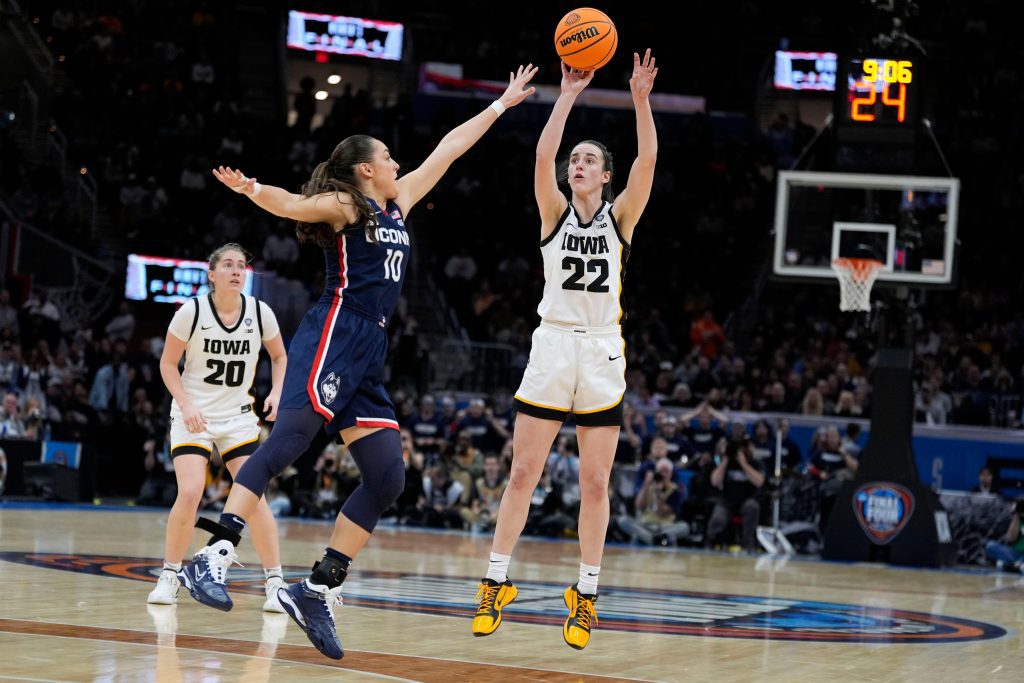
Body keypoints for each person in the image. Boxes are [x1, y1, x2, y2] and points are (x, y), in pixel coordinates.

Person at [177, 64, 538, 660]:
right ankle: (213, 555)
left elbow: (449, 149)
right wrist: (251, 190)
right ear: (366, 168)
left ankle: (317, 586)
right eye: (389, 157)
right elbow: (293, 203)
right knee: (290, 439)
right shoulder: (347, 205)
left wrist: (500, 105)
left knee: (388, 477)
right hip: (334, 331)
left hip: (371, 345)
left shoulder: (398, 203)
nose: (399, 163)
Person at [473, 50, 658, 650]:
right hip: (552, 344)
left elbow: (648, 160)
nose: (576, 164)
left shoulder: (621, 219)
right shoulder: (552, 212)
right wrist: (569, 94)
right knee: (523, 471)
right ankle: (495, 582)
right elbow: (539, 155)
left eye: (588, 160)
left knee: (596, 484)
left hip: (602, 352)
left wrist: (639, 100)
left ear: (606, 176)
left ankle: (585, 594)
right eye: (574, 159)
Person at [148, 243, 289, 614]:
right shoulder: (190, 312)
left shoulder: (261, 313)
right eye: (227, 265)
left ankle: (275, 583)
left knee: (254, 498)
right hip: (194, 414)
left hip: (238, 417)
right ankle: (170, 575)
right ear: (211, 274)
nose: (236, 271)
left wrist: (276, 390)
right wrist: (186, 404)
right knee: (191, 490)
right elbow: (167, 365)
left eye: (241, 266)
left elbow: (279, 355)